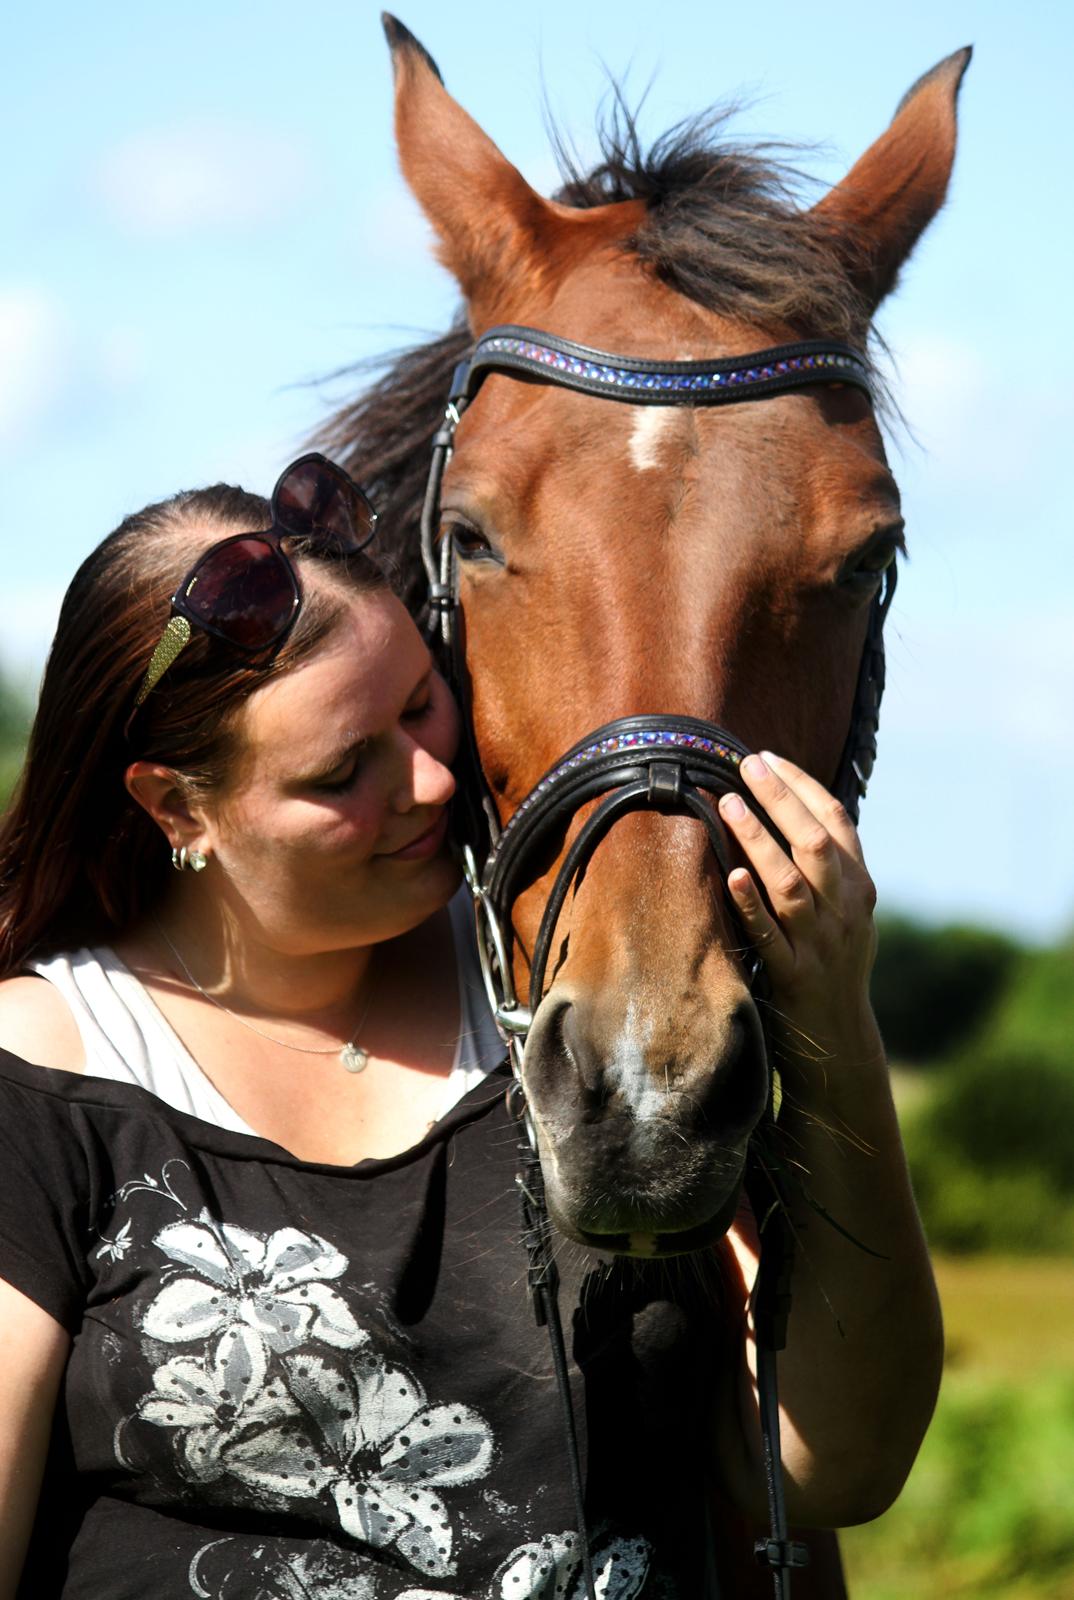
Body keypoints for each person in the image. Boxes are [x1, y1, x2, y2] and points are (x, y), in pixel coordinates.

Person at [0, 454, 939, 1599]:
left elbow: (830, 1462)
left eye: (418, 704)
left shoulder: (562, 989)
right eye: (347, 769)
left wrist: (834, 1018)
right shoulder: (50, 1073)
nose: (434, 783)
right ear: (176, 806)